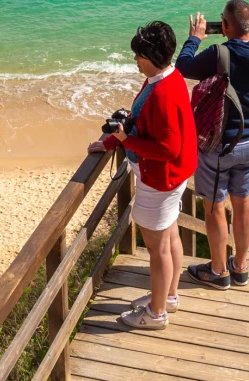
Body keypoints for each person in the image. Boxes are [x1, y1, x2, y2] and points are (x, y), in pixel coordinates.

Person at [87, 21, 197, 330]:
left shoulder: (162, 93)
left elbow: (167, 148)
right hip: (174, 178)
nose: (135, 60)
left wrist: (125, 141)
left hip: (160, 179)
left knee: (157, 249)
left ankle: (156, 313)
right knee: (171, 235)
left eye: (138, 55)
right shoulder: (168, 77)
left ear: (149, 55)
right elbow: (139, 119)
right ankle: (169, 296)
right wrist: (112, 140)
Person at [177, 0, 249, 290]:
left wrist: (194, 38)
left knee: (215, 207)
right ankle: (241, 266)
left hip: (219, 146)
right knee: (243, 202)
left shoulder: (219, 53)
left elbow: (183, 66)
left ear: (223, 26)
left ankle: (219, 271)